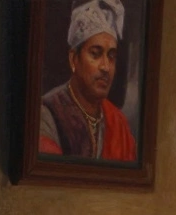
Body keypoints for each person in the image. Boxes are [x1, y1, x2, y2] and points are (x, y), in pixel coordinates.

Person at [38, 0, 137, 161]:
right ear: (73, 59)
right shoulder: (47, 114)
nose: (105, 66)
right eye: (95, 53)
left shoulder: (119, 124)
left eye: (111, 56)